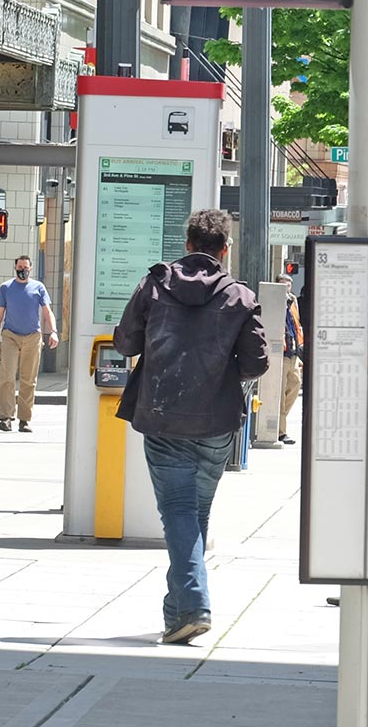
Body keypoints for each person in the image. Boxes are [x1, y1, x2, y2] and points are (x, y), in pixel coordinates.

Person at [113, 209, 268, 645]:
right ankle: (176, 614)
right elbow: (257, 361)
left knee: (180, 513)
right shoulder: (239, 296)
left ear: (187, 246)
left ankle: (194, 605)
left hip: (162, 417)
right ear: (224, 250)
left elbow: (125, 341)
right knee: (193, 513)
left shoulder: (155, 285)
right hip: (217, 423)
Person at [0, 255, 58, 432]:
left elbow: (47, 311)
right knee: (7, 377)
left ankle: (24, 420)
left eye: (25, 267)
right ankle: (5, 417)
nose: (22, 270)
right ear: (15, 268)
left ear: (30, 269)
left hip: (33, 337)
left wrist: (54, 332)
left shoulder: (38, 288)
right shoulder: (6, 287)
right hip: (10, 335)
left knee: (29, 379)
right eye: (20, 267)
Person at [279, 287, 304, 445]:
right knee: (280, 394)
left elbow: (296, 327)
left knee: (295, 385)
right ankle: (280, 431)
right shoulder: (276, 306)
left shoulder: (292, 305)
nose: (287, 291)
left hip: (293, 353)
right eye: (283, 286)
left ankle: (280, 419)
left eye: (288, 287)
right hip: (281, 354)